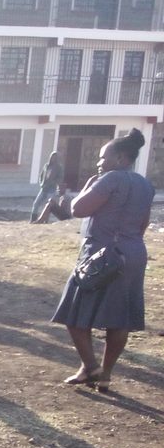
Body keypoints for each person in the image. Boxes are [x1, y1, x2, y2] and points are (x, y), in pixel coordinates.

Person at [52, 129, 154, 393]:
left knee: (73, 312)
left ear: (120, 158)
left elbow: (77, 209)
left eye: (102, 157)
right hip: (133, 254)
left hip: (101, 255)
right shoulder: (145, 184)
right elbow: (143, 223)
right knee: (119, 319)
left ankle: (90, 366)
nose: (99, 162)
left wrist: (88, 186)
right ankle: (105, 374)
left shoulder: (109, 179)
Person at [30, 151, 64, 222]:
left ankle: (45, 220)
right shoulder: (46, 166)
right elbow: (41, 175)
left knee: (48, 205)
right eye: (52, 157)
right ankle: (33, 219)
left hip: (51, 189)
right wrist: (41, 183)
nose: (53, 158)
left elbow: (60, 178)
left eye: (55, 157)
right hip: (43, 188)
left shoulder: (59, 167)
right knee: (36, 203)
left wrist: (53, 183)